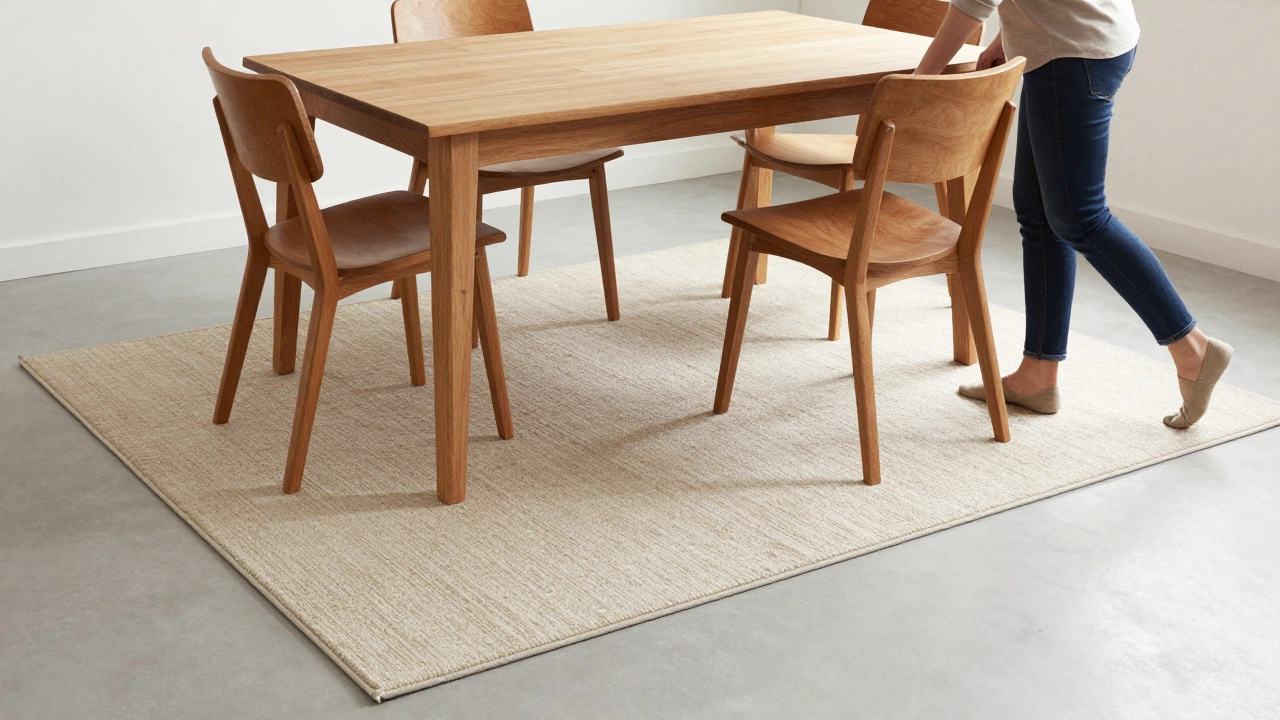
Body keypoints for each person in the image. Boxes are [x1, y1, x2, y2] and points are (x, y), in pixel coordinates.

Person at [914, 0, 1232, 428]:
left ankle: (1192, 347)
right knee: (1041, 214)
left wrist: (918, 86)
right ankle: (1037, 376)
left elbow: (973, 5)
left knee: (1080, 216)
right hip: (1084, 41)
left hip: (1072, 54)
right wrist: (1007, 38)